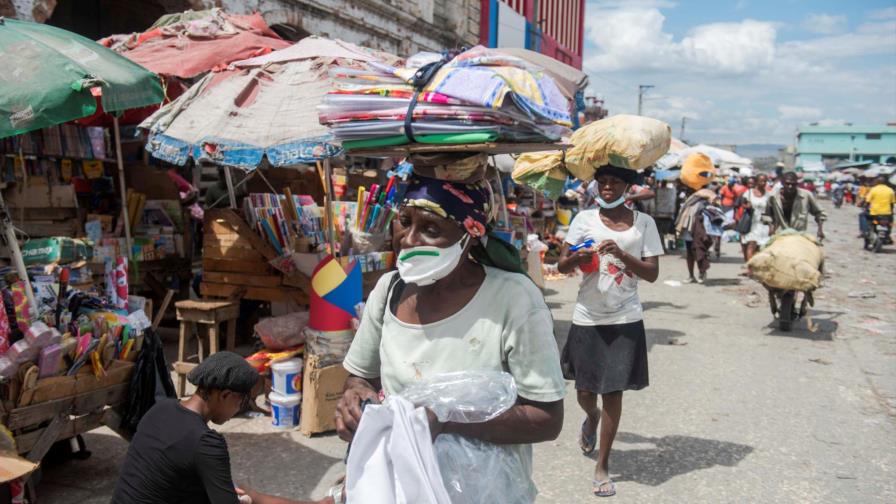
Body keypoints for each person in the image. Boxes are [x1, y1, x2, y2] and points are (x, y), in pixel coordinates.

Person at [337, 169, 566, 502]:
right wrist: (355, 399)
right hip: (397, 486)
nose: (410, 239)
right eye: (405, 221)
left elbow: (546, 419)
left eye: (431, 229)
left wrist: (447, 419)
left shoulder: (514, 298)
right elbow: (360, 375)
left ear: (469, 234)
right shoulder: (389, 290)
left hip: (484, 491)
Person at [558, 166, 663, 498]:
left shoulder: (644, 223)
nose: (606, 187)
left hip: (626, 317)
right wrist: (579, 256)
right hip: (588, 315)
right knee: (586, 392)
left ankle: (602, 465)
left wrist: (622, 254)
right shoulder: (583, 219)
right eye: (601, 182)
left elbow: (652, 274)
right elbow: (560, 265)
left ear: (627, 187)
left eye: (614, 182)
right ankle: (591, 418)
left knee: (613, 390)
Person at [113, 352, 325, 504]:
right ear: (224, 395)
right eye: (243, 402)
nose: (239, 409)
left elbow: (238, 492)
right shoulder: (205, 443)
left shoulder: (160, 409)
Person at [764, 171, 826, 239]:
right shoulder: (773, 197)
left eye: (793, 184)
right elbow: (767, 215)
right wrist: (770, 227)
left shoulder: (806, 196)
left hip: (799, 234)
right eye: (787, 184)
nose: (790, 186)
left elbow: (820, 213)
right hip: (779, 234)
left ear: (797, 183)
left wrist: (820, 229)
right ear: (782, 183)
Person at [740, 173, 772, 262]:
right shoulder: (749, 193)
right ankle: (749, 267)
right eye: (761, 181)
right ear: (757, 182)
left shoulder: (768, 195)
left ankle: (756, 266)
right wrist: (747, 206)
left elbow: (770, 210)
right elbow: (742, 204)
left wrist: (771, 225)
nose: (763, 183)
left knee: (760, 246)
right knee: (751, 244)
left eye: (765, 181)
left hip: (763, 224)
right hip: (752, 222)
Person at [864, 175, 895, 242]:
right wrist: (891, 212)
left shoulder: (874, 189)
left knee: (864, 217)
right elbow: (892, 203)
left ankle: (866, 232)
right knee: (890, 223)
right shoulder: (890, 190)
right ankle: (888, 235)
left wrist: (866, 208)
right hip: (887, 213)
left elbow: (868, 201)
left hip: (875, 212)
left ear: (877, 182)